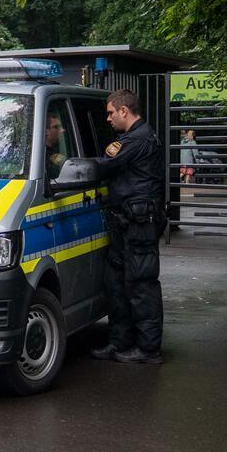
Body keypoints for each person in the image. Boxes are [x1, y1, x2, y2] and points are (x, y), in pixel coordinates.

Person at [91, 87, 166, 365]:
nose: (108, 119)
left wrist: (63, 162)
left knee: (141, 283)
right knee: (116, 282)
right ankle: (120, 342)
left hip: (140, 222)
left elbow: (105, 166)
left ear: (124, 111)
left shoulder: (138, 138)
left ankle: (148, 349)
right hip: (125, 219)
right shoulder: (133, 137)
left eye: (111, 113)